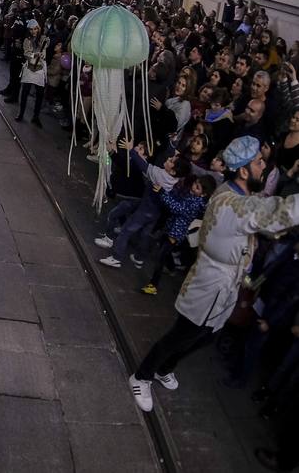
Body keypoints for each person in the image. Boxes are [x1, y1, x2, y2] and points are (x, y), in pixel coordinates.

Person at [128, 136, 299, 413]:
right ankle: (142, 376)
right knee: (180, 335)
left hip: (226, 285)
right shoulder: (233, 204)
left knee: (206, 336)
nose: (263, 167)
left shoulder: (241, 196)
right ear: (243, 170)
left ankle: (165, 369)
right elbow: (274, 211)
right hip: (210, 282)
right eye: (258, 162)